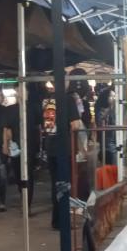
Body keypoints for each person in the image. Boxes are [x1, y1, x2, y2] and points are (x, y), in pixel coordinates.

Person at [41, 77, 85, 229]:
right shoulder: (68, 99)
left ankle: (56, 220)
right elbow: (75, 125)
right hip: (64, 148)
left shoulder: (46, 101)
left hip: (50, 147)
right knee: (65, 186)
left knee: (56, 185)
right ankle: (63, 221)